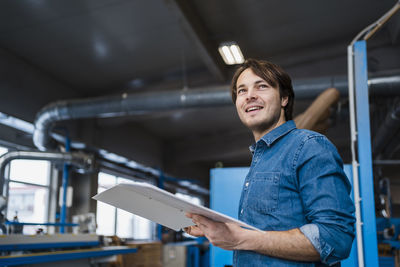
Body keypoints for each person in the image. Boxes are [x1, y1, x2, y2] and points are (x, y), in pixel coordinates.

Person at [185, 59, 355, 266]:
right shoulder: (262, 157)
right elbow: (267, 231)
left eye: (262, 86)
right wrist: (218, 229)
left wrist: (239, 239)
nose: (249, 96)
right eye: (241, 91)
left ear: (284, 98)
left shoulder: (309, 146)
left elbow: (336, 237)